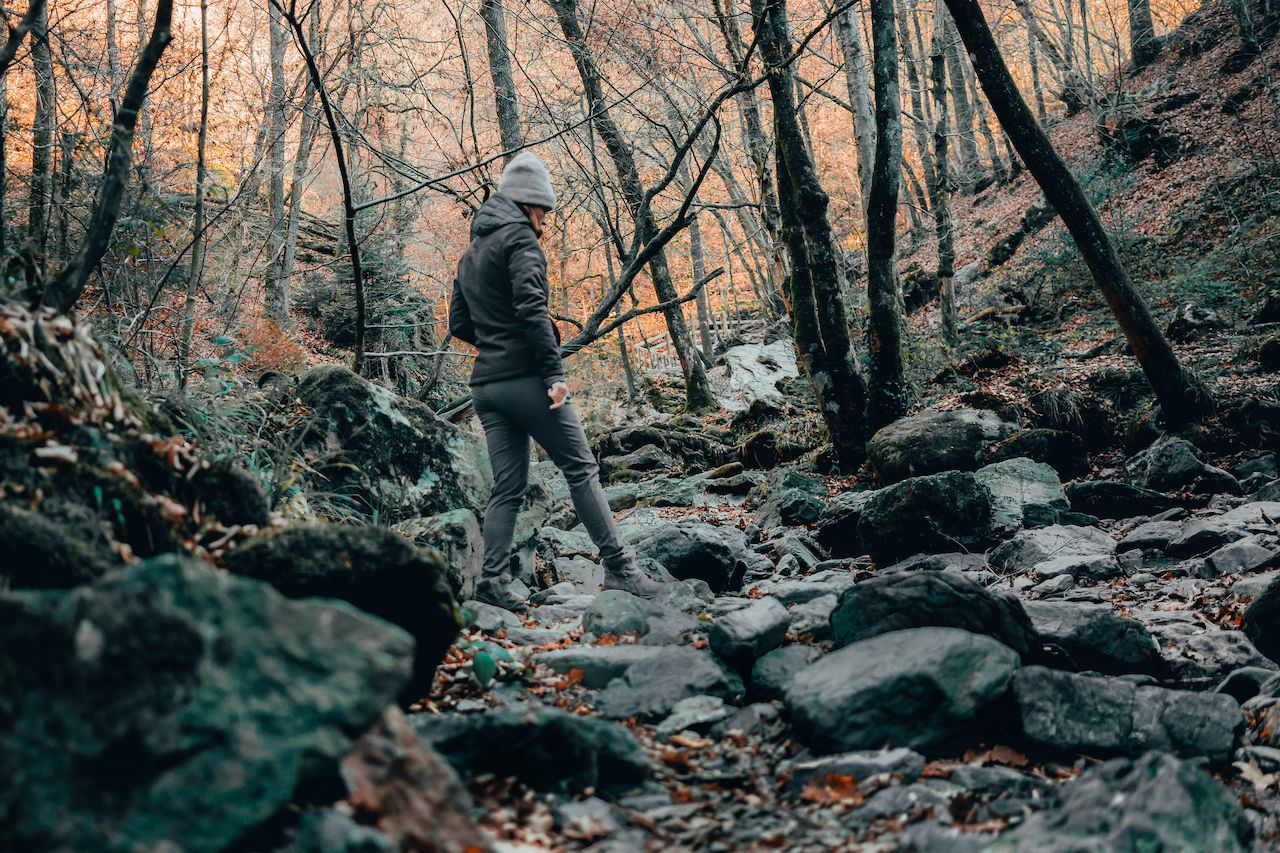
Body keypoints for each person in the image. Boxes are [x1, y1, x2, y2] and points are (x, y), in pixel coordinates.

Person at [449, 150, 661, 603]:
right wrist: (553, 373)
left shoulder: (471, 254)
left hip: (486, 387)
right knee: (581, 469)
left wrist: (495, 344)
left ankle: (491, 584)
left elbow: (458, 324)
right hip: (527, 380)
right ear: (530, 204)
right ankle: (621, 569)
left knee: (508, 486)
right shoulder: (521, 242)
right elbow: (532, 310)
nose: (545, 219)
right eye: (543, 209)